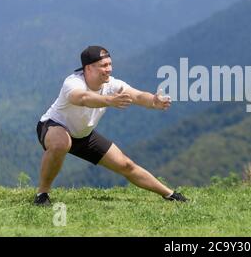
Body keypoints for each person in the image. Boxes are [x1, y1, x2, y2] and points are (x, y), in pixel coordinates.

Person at [34, 45, 187, 206]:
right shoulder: (73, 82)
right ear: (88, 68)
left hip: (83, 135)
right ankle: (42, 194)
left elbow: (137, 95)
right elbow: (82, 98)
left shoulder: (112, 84)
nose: (109, 69)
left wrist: (154, 101)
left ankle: (170, 195)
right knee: (61, 143)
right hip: (54, 126)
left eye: (110, 64)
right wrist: (109, 100)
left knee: (126, 165)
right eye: (104, 65)